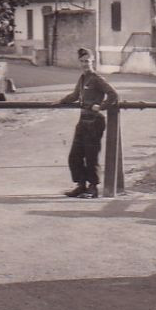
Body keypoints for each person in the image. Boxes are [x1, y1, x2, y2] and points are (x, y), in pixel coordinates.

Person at [59, 47, 118, 198]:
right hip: (83, 120)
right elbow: (74, 95)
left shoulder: (96, 78)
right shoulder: (82, 78)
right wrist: (60, 101)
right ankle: (81, 185)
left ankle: (93, 188)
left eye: (88, 61)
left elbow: (113, 94)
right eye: (82, 61)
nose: (85, 64)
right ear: (79, 62)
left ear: (93, 62)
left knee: (91, 156)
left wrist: (101, 106)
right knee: (75, 155)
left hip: (95, 121)